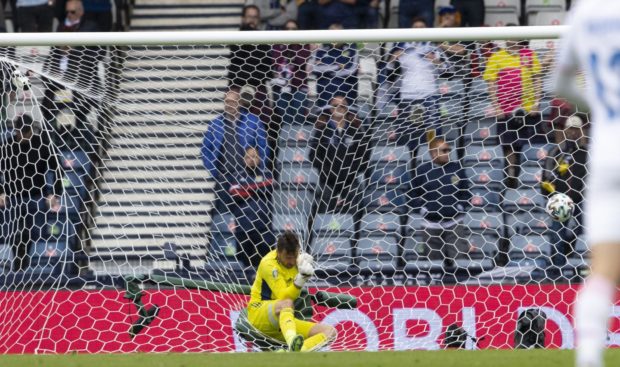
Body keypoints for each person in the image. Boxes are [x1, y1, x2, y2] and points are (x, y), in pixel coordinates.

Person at [555, 2, 620, 366]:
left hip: (608, 150)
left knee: (603, 268)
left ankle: (590, 359)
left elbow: (558, 84)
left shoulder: (586, 11)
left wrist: (602, 106)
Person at [247, 231, 336, 351]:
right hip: (259, 315)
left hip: (284, 323)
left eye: (294, 257)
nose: (291, 262)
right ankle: (292, 341)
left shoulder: (298, 262)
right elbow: (283, 296)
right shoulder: (268, 264)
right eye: (288, 258)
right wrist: (301, 279)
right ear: (278, 252)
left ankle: (296, 351)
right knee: (286, 303)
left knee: (330, 332)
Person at [0, 114, 62, 271]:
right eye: (20, 131)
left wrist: (54, 193)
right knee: (12, 235)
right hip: (12, 198)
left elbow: (58, 169)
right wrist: (1, 192)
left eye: (27, 130)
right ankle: (15, 269)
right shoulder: (6, 146)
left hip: (36, 197)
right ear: (15, 131)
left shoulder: (42, 144)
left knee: (36, 235)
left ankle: (33, 272)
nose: (24, 134)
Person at [40, 0, 101, 151]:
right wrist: (53, 76)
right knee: (48, 108)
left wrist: (71, 48)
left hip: (79, 89)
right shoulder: (60, 34)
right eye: (67, 12)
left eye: (72, 12)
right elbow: (46, 69)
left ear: (81, 12)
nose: (69, 15)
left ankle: (83, 146)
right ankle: (51, 147)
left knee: (77, 106)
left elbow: (92, 58)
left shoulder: (89, 28)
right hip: (57, 90)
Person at [483, 33, 542, 188]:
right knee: (508, 144)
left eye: (514, 36)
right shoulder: (496, 56)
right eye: (508, 36)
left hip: (528, 109)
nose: (511, 39)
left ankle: (530, 177)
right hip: (506, 108)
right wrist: (496, 106)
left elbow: (537, 79)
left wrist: (536, 103)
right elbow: (491, 83)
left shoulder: (529, 54)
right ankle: (511, 173)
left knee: (529, 143)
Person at [383, 17, 447, 151]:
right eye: (415, 27)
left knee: (432, 132)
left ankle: (431, 162)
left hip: (429, 95)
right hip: (407, 96)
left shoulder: (433, 47)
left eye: (421, 27)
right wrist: (392, 59)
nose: (418, 30)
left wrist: (435, 60)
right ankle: (409, 164)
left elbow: (449, 71)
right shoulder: (401, 46)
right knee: (408, 133)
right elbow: (388, 74)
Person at [201, 89, 268, 214]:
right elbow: (205, 150)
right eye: (227, 101)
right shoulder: (215, 124)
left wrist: (260, 169)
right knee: (223, 215)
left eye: (233, 101)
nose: (229, 104)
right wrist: (214, 171)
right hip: (224, 178)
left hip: (247, 177)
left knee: (247, 215)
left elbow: (263, 146)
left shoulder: (253, 121)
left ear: (240, 103)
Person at [409, 137, 470, 269]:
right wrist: (422, 210)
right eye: (444, 150)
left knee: (460, 262)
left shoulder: (457, 168)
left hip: (454, 223)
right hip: (430, 225)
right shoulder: (422, 171)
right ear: (434, 153)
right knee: (434, 265)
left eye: (448, 150)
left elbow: (466, 193)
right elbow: (412, 195)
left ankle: (462, 288)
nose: (448, 153)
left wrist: (460, 207)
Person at [228, 5, 275, 171]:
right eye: (249, 17)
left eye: (255, 17)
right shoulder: (237, 39)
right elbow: (236, 62)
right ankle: (237, 171)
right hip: (239, 88)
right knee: (238, 131)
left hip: (259, 89)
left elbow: (268, 69)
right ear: (243, 18)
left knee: (263, 129)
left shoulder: (263, 40)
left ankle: (263, 170)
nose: (252, 20)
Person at [540, 115, 588, 269]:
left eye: (576, 129)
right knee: (557, 235)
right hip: (560, 200)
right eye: (570, 129)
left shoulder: (587, 153)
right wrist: (552, 196)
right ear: (565, 130)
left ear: (582, 131)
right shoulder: (555, 151)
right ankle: (559, 270)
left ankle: (580, 267)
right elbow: (545, 178)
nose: (573, 133)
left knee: (585, 232)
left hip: (582, 199)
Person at [308, 95, 369, 216]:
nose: (339, 108)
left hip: (350, 181)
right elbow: (313, 155)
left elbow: (364, 156)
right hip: (328, 181)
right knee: (325, 214)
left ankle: (354, 232)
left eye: (343, 106)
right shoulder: (321, 130)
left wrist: (351, 171)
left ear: (347, 109)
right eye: (335, 105)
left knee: (353, 212)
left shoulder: (356, 130)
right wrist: (326, 171)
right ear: (330, 109)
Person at [230, 146, 276, 270]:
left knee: (266, 263)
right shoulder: (237, 175)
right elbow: (235, 192)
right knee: (244, 265)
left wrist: (245, 187)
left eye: (254, 156)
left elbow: (267, 185)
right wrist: (256, 188)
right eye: (248, 157)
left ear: (259, 159)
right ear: (244, 160)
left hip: (263, 226)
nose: (251, 159)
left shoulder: (266, 173)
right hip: (243, 227)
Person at [271, 20, 311, 126]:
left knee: (299, 119)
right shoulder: (277, 44)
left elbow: (302, 60)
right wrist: (286, 47)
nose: (290, 31)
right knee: (285, 119)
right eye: (287, 29)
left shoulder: (303, 44)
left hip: (299, 86)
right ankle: (287, 142)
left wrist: (291, 47)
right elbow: (276, 61)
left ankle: (298, 142)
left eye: (293, 29)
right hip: (280, 87)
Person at [310, 23, 359, 108]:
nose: (335, 37)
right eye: (332, 34)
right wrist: (337, 67)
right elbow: (315, 69)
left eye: (337, 34)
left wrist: (327, 71)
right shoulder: (320, 51)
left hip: (346, 92)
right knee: (324, 118)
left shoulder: (352, 51)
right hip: (325, 93)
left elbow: (351, 70)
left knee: (348, 119)